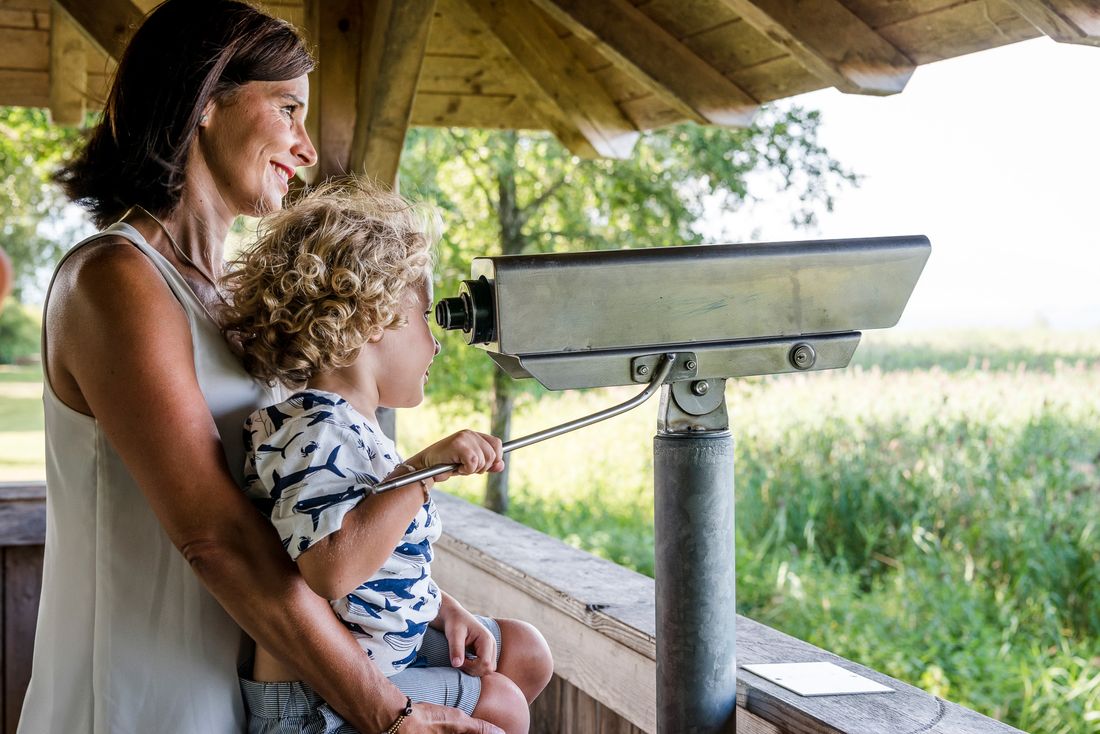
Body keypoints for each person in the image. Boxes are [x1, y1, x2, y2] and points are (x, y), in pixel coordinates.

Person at [21, 1, 508, 731]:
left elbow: (302, 505)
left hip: (247, 695)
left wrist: (429, 599)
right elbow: (213, 537)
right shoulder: (116, 281)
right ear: (205, 102)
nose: (307, 149)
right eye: (288, 109)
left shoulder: (223, 299)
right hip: (140, 700)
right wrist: (387, 710)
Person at [220, 181, 552, 734]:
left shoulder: (350, 425)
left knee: (522, 650)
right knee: (504, 705)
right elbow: (331, 570)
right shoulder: (311, 430)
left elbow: (382, 564)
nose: (438, 342)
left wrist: (442, 608)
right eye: (424, 316)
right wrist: (420, 474)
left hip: (383, 650)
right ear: (371, 319)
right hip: (313, 701)